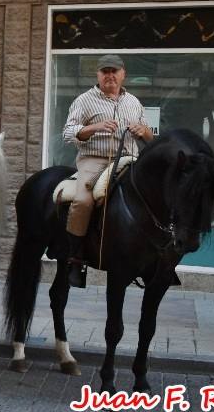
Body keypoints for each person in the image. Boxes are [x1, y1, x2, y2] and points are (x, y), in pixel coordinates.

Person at [61, 54, 153, 287]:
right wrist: (95, 127)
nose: (110, 75)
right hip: (95, 160)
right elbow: (69, 133)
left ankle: (154, 258)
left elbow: (151, 138)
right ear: (98, 75)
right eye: (105, 71)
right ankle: (75, 259)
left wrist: (143, 130)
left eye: (115, 71)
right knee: (82, 201)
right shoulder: (84, 100)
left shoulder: (133, 101)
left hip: (130, 159)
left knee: (155, 198)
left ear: (123, 74)